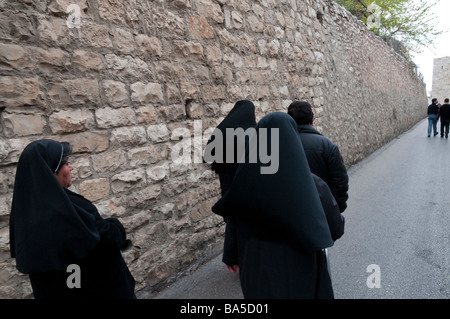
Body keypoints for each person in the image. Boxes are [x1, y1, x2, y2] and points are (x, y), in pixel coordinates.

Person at [212, 112, 343, 299]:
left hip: (256, 273)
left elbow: (234, 221)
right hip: (302, 273)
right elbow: (336, 228)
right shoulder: (313, 186)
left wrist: (231, 255)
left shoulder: (244, 184)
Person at [9, 139, 136, 299]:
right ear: (52, 170)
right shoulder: (69, 210)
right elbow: (109, 238)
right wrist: (115, 225)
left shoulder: (25, 214)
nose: (71, 167)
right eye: (66, 163)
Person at [204, 100, 257, 274]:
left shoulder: (222, 131)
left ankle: (235, 258)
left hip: (228, 184)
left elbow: (208, 155)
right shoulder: (254, 133)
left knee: (233, 221)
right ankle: (250, 259)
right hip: (249, 187)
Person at [288, 101, 349, 213]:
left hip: (291, 212)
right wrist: (335, 209)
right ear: (312, 120)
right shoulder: (327, 146)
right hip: (322, 210)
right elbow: (340, 182)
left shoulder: (281, 145)